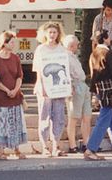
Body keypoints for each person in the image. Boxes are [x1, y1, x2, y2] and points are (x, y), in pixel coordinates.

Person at [0, 31, 28, 160]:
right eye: (11, 42)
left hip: (15, 97)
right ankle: (1, 150)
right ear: (4, 43)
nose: (13, 44)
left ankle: (16, 149)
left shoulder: (15, 58)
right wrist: (6, 90)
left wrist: (16, 90)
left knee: (16, 122)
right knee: (1, 123)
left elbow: (19, 76)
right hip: (1, 98)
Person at [32, 22, 68, 157]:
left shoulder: (62, 49)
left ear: (58, 34)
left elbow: (65, 69)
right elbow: (38, 71)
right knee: (44, 117)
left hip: (59, 88)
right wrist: (41, 86)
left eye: (55, 32)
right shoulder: (41, 49)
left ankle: (55, 146)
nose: (52, 35)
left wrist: (67, 86)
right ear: (45, 33)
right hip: (44, 88)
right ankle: (45, 146)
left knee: (58, 117)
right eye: (50, 32)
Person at [63, 34, 91, 153]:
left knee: (86, 116)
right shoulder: (65, 57)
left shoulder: (73, 57)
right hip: (75, 85)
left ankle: (86, 143)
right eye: (75, 45)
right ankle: (72, 145)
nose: (77, 47)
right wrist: (70, 87)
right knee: (73, 116)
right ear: (71, 45)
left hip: (82, 84)